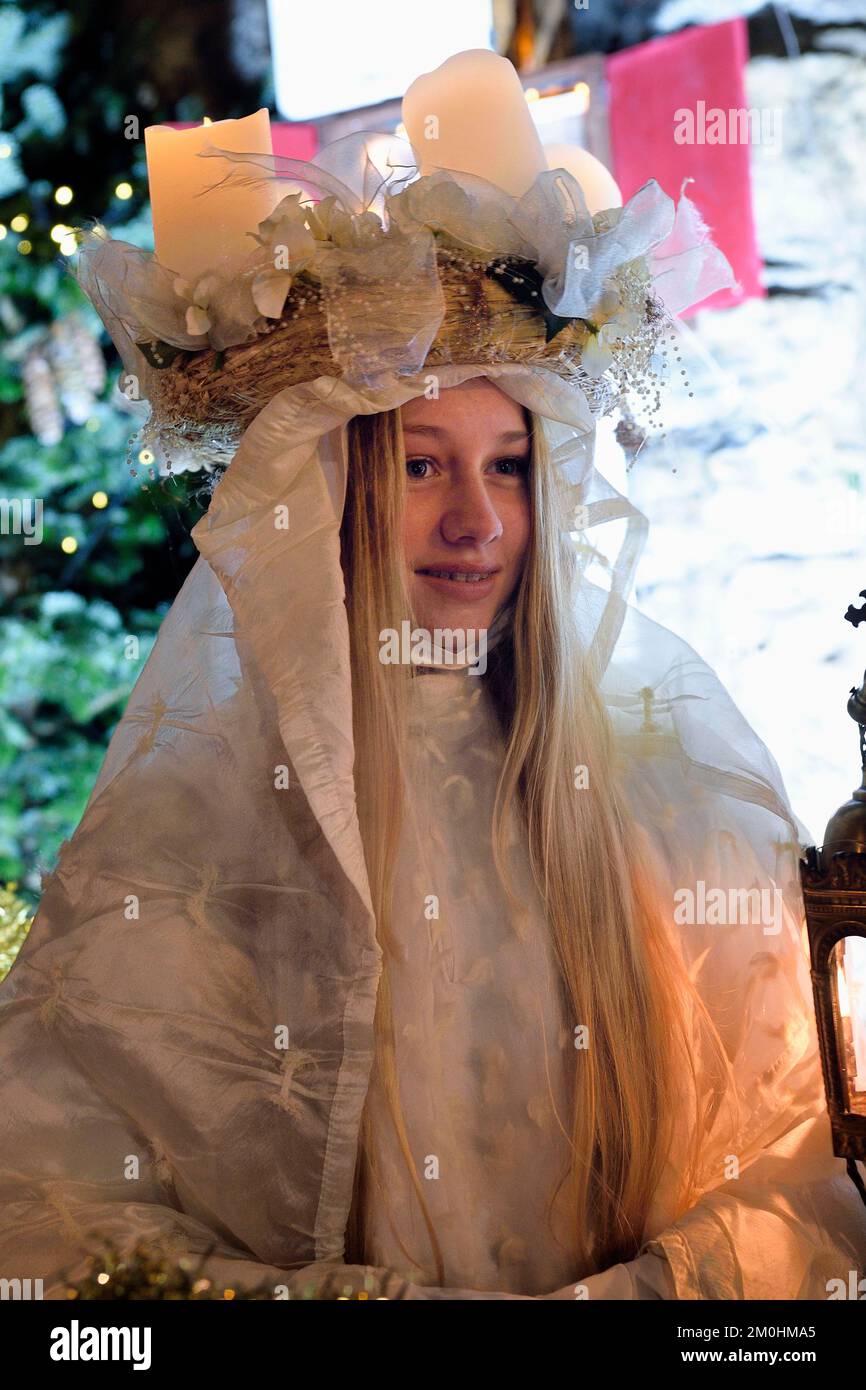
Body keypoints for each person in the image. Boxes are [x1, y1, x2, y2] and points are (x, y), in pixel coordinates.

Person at [2, 51, 864, 1296]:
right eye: (420, 467)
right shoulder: (198, 825)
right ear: (335, 494)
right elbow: (56, 1229)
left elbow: (797, 1160)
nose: (477, 521)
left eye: (507, 464)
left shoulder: (660, 796)